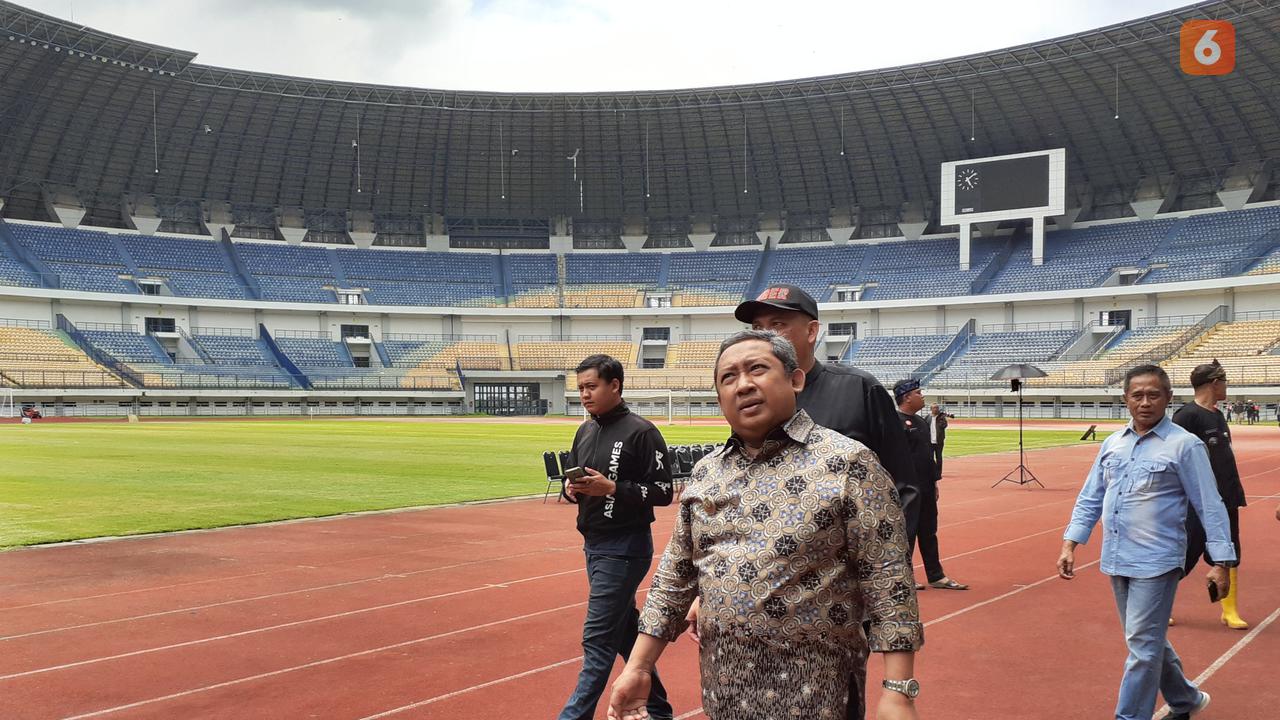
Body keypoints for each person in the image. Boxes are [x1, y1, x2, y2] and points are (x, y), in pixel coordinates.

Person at [606, 330, 923, 720]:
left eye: (757, 369)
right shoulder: (707, 473)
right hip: (724, 693)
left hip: (817, 697)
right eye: (728, 377)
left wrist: (898, 692)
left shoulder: (849, 463)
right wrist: (637, 667)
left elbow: (888, 577)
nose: (743, 385)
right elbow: (676, 575)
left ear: (795, 379)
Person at [681, 284, 921, 720]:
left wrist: (870, 583)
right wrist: (715, 587)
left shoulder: (859, 391)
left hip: (834, 598)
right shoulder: (743, 416)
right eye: (758, 326)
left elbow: (902, 489)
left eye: (778, 324)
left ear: (811, 331)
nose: (765, 333)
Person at [1057, 364, 1236, 720]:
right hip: (1117, 557)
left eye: (1154, 395)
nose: (1145, 402)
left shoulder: (1185, 446)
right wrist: (1071, 542)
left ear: (1168, 399)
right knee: (1146, 641)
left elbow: (1210, 504)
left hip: (1158, 560)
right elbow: (1091, 496)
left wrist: (1221, 561)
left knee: (1141, 646)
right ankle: (1186, 700)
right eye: (1137, 395)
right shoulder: (1113, 443)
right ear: (1125, 399)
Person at [558, 354, 676, 720]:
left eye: (591, 386)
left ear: (615, 386)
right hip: (593, 544)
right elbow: (580, 483)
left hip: (625, 547)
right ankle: (658, 710)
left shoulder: (642, 432)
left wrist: (612, 488)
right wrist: (571, 488)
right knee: (624, 631)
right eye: (580, 388)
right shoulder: (585, 430)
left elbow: (662, 492)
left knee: (597, 640)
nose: (584, 394)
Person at [1172, 361, 1248, 629]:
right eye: (1224, 381)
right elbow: (1176, 457)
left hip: (1226, 496)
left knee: (1229, 552)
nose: (1226, 386)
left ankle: (1229, 610)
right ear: (1214, 383)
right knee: (1185, 553)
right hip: (1198, 500)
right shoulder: (1187, 416)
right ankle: (1160, 602)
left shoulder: (1217, 415)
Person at [895, 379, 967, 592]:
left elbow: (928, 456)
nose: (923, 396)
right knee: (907, 533)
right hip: (908, 489)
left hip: (926, 486)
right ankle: (904, 576)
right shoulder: (895, 424)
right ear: (907, 397)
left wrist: (934, 482)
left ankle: (936, 575)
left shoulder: (922, 422)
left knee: (929, 532)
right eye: (918, 392)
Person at [927, 403, 952, 478]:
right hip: (930, 441)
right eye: (934, 408)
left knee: (939, 458)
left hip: (939, 441)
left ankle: (938, 473)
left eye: (937, 408)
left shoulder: (941, 417)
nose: (936, 409)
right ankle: (931, 471)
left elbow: (944, 425)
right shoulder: (928, 417)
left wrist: (941, 418)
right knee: (930, 458)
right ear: (931, 409)